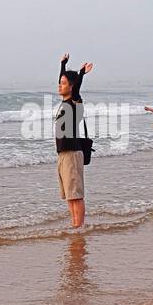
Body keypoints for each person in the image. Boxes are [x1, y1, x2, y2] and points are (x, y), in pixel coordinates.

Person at [55, 53, 94, 228]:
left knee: (76, 195)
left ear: (71, 87)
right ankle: (75, 226)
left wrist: (81, 73)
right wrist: (63, 64)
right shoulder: (64, 102)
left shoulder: (75, 102)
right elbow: (65, 81)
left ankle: (79, 229)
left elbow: (75, 87)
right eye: (60, 83)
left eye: (63, 83)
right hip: (63, 154)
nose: (59, 86)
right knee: (70, 196)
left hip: (72, 153)